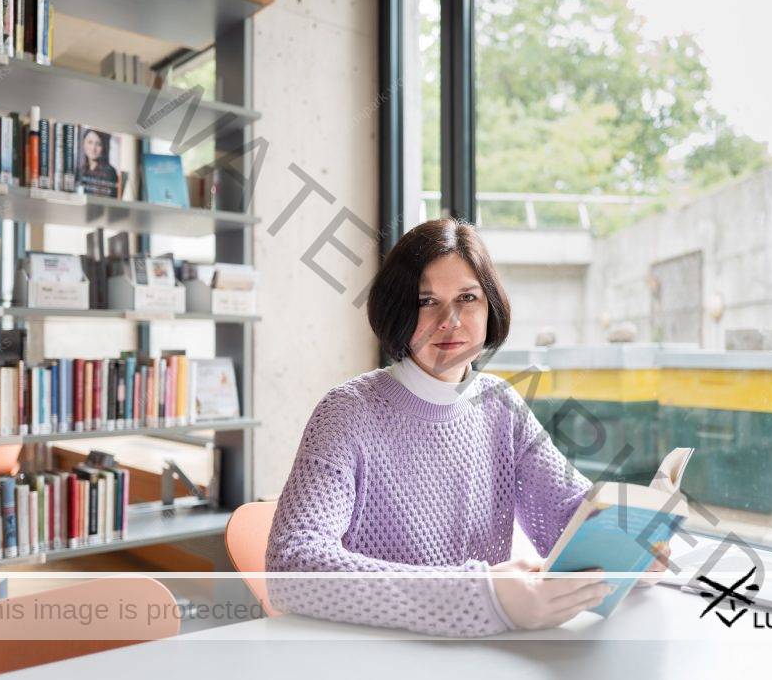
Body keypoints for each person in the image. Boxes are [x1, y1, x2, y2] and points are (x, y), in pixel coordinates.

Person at [265, 218, 670, 637]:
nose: (451, 320)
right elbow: (292, 565)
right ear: (396, 309)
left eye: (468, 298)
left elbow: (568, 516)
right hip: (378, 654)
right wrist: (480, 596)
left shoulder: (501, 404)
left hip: (485, 651)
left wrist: (632, 548)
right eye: (426, 301)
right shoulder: (347, 413)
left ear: (489, 306)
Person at [78, 128, 119, 197]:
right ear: (83, 144)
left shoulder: (110, 171)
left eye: (98, 144)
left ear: (103, 147)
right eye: (90, 142)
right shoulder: (80, 170)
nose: (93, 148)